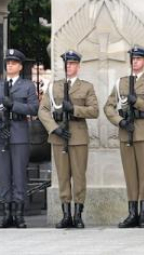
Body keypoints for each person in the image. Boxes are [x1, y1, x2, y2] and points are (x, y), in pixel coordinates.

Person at [104, 45, 144, 228]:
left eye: (138, 59)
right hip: (126, 131)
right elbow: (108, 107)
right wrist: (120, 122)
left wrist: (137, 102)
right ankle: (132, 213)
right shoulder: (121, 83)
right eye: (133, 59)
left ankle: (143, 214)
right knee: (130, 175)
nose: (135, 61)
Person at [38, 50, 99, 229]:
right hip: (58, 137)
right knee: (63, 177)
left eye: (72, 64)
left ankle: (78, 214)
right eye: (66, 64)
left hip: (78, 136)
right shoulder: (54, 86)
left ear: (78, 66)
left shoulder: (86, 87)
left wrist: (74, 109)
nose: (69, 66)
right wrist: (54, 128)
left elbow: (94, 110)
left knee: (79, 176)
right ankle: (66, 215)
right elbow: (43, 110)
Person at [0, 48, 38, 229]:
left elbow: (34, 108)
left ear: (20, 66)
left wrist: (14, 105)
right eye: (8, 63)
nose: (9, 65)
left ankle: (19, 215)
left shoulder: (27, 86)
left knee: (19, 176)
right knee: (4, 175)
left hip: (19, 133)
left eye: (13, 62)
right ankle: (7, 214)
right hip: (0, 134)